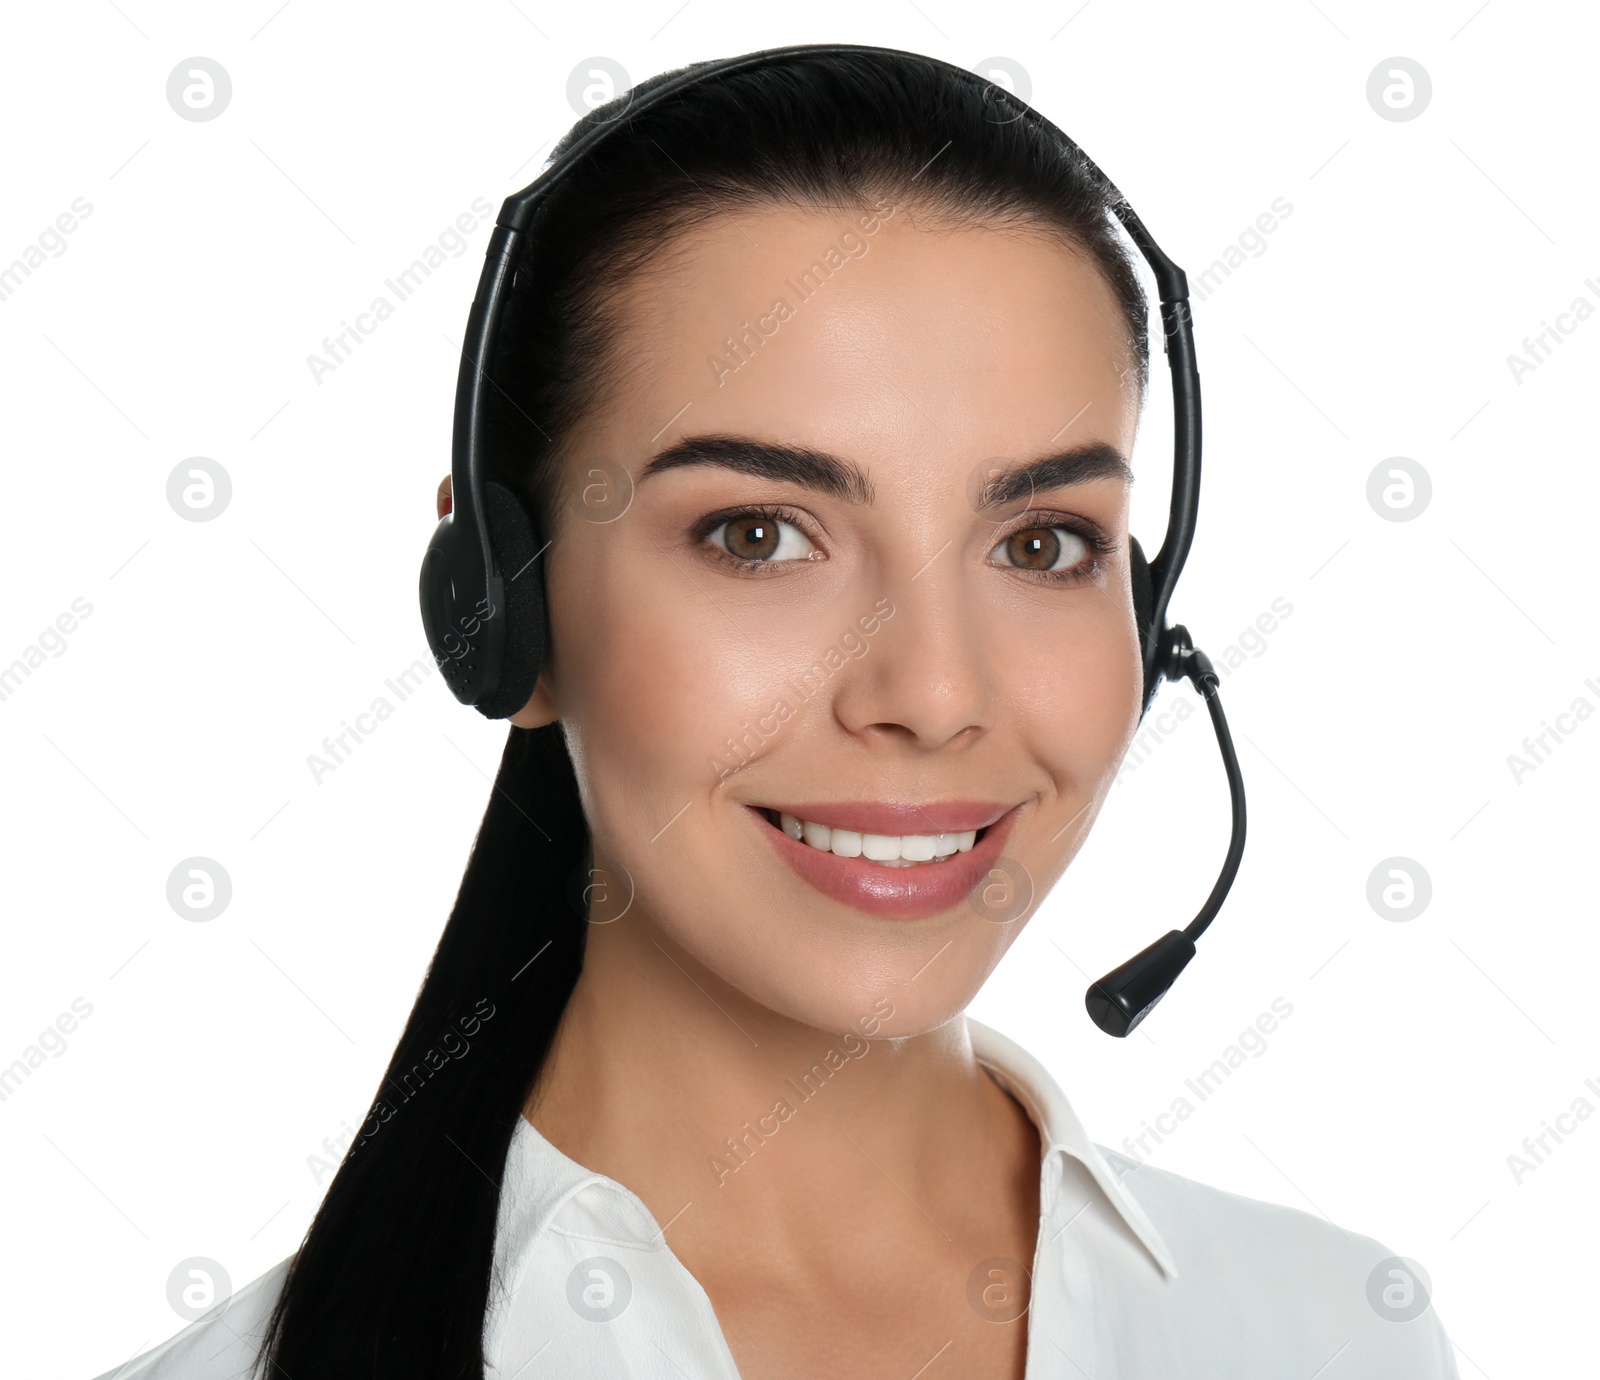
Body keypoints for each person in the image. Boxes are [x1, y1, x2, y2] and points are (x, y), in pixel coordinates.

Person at [94, 46, 1460, 1379]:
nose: (932, 695)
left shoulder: (1340, 1333)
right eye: (759, 536)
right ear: (503, 602)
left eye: (1040, 544)